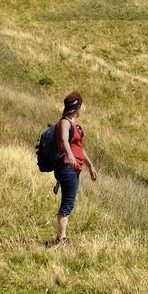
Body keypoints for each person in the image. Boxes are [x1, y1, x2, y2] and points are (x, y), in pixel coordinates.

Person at [50, 91, 96, 245]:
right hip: (66, 166)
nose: (81, 109)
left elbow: (79, 148)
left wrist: (90, 166)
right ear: (77, 107)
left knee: (69, 200)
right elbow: (64, 140)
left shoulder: (74, 125)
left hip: (74, 167)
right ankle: (61, 238)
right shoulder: (65, 122)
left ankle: (61, 237)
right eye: (81, 106)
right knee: (68, 202)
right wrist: (69, 154)